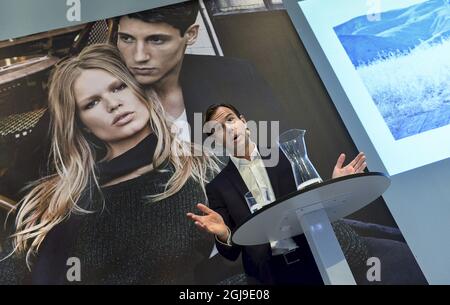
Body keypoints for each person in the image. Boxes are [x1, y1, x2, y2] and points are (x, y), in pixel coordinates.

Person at [0, 44, 222, 285]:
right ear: (82, 124)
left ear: (140, 90)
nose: (113, 104)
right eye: (92, 103)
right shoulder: (53, 200)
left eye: (118, 87)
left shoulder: (201, 170)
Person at [187, 104, 369, 284]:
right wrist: (223, 234)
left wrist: (334, 185)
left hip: (316, 257)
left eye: (230, 119)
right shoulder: (218, 187)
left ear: (243, 122)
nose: (228, 128)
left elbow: (314, 203)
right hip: (266, 275)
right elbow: (231, 252)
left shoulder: (285, 154)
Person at [116, 0, 285, 141]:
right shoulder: (107, 96)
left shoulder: (237, 75)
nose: (138, 57)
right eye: (126, 38)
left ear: (191, 35)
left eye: (156, 40)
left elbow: (279, 148)